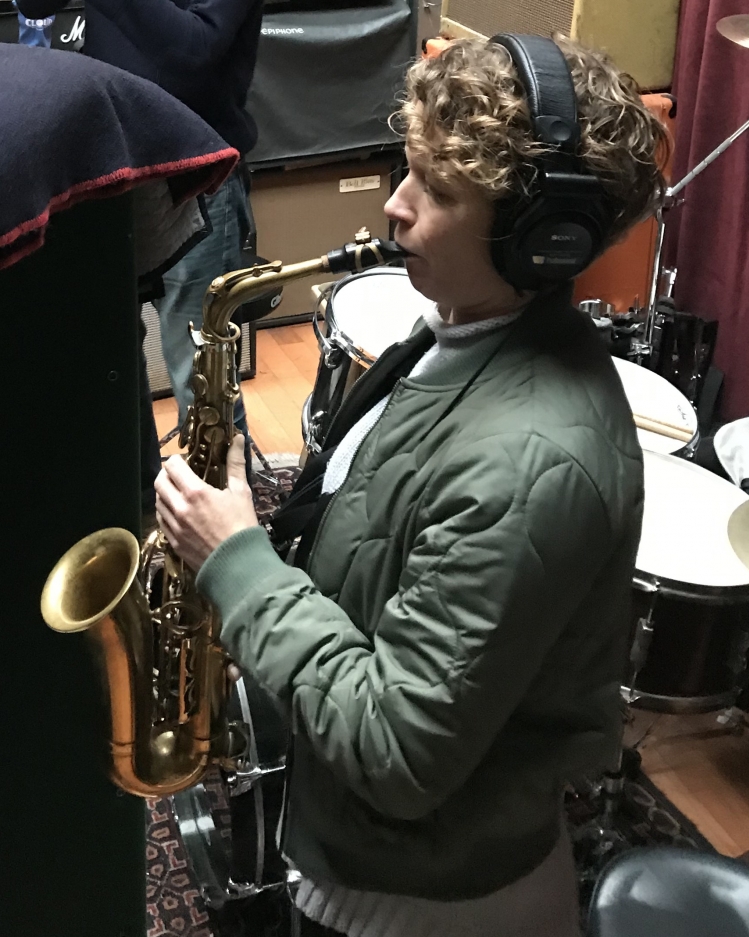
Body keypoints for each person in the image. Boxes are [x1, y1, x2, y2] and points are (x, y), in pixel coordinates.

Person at [154, 34, 667, 937]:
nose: (392, 206)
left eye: (436, 188)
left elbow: (396, 748)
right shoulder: (462, 328)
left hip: (421, 902)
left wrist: (236, 563)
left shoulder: (532, 467)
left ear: (538, 241)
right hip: (368, 854)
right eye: (407, 168)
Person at [16, 0, 264, 518]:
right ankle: (142, 517)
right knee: (111, 363)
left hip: (195, 175)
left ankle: (229, 532)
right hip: (104, 175)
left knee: (200, 373)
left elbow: (192, 54)